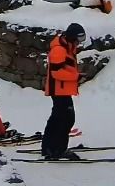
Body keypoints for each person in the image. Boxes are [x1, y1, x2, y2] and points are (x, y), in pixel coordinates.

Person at [40, 23, 85, 160]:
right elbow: (56, 72)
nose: (79, 42)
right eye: (79, 39)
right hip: (59, 91)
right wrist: (76, 77)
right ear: (72, 37)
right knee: (65, 120)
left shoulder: (67, 46)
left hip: (62, 90)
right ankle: (58, 149)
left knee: (57, 119)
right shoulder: (59, 50)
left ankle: (49, 148)